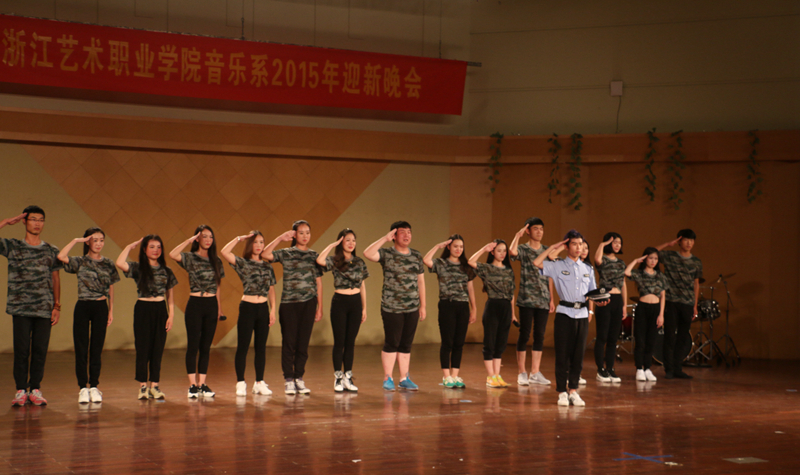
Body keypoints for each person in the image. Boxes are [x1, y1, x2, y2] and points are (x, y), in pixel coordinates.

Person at [533, 230, 609, 407]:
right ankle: (561, 391)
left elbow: (592, 292)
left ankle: (573, 390)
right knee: (562, 354)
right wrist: (554, 247)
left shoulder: (587, 268)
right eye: (574, 244)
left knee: (578, 355)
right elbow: (536, 263)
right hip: (564, 314)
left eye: (580, 244)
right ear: (567, 246)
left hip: (582, 314)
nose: (578, 247)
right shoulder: (558, 265)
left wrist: (599, 302)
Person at [1, 206, 62, 407]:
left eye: (40, 220)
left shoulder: (51, 250)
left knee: (40, 350)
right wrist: (6, 222)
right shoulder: (13, 246)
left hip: (44, 308)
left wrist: (57, 306)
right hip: (20, 308)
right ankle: (21, 390)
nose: (37, 223)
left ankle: (35, 389)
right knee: (21, 350)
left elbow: (55, 278)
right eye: (33, 219)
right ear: (24, 221)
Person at [58, 227, 120, 404]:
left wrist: (111, 310)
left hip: (101, 306)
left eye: (101, 240)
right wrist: (76, 241)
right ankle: (82, 388)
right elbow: (61, 256)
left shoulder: (108, 263)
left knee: (97, 348)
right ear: (88, 241)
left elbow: (111, 287)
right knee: (81, 348)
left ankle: (94, 385)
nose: (99, 243)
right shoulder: (80, 261)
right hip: (83, 306)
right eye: (95, 240)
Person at [364, 221, 426, 391]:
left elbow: (420, 281)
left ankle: (404, 378)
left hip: (412, 307)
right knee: (392, 343)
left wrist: (423, 306)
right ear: (394, 235)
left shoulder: (416, 255)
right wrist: (385, 239)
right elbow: (368, 253)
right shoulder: (387, 254)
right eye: (402, 232)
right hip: (391, 307)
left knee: (406, 344)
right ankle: (388, 377)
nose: (407, 235)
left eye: (409, 232)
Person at [263, 220, 323, 396]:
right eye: (301, 232)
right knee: (289, 343)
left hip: (309, 303)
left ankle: (299, 378)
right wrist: (280, 238)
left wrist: (320, 306)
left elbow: (319, 283)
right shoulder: (286, 253)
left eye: (307, 232)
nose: (305, 236)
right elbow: (265, 254)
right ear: (295, 235)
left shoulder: (314, 256)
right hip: (289, 303)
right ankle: (289, 379)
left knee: (303, 344)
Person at [117, 235, 177, 400]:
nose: (156, 250)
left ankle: (154, 386)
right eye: (152, 247)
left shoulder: (166, 270)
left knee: (158, 349)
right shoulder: (138, 268)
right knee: (143, 348)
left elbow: (170, 296)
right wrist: (129, 246)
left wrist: (171, 315)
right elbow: (120, 263)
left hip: (160, 309)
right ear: (144, 249)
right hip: (143, 309)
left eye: (158, 247)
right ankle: (143, 386)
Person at [169, 225, 225, 398]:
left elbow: (218, 286)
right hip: (195, 304)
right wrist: (188, 241)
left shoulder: (216, 260)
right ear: (198, 238)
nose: (208, 240)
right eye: (204, 236)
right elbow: (172, 254)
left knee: (206, 347)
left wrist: (219, 308)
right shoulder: (190, 257)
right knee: (193, 345)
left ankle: (202, 384)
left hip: (211, 304)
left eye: (211, 237)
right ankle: (192, 385)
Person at [220, 231, 276, 397]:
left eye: (261, 242)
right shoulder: (243, 263)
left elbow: (271, 289)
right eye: (255, 242)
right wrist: (239, 238)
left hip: (263, 308)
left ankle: (259, 382)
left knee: (261, 348)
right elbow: (224, 252)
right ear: (250, 244)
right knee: (243, 347)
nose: (259, 245)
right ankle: (240, 382)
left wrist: (273, 309)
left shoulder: (267, 266)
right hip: (247, 308)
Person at [316, 229, 370, 392]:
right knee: (339, 342)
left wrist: (364, 307)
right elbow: (319, 260)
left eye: (353, 240)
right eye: (347, 240)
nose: (351, 243)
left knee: (350, 342)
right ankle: (338, 378)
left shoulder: (359, 261)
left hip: (355, 302)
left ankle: (348, 377)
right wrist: (332, 245)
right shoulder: (335, 260)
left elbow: (362, 285)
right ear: (341, 242)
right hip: (340, 302)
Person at [423, 235, 477, 389]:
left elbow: (470, 288)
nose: (458, 249)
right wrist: (437, 246)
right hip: (447, 304)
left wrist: (474, 308)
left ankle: (455, 375)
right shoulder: (441, 263)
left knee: (459, 343)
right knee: (448, 342)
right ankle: (446, 376)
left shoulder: (466, 266)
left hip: (463, 306)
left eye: (461, 247)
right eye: (455, 246)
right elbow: (426, 260)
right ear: (449, 247)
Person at [509, 218, 555, 387]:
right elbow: (512, 252)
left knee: (539, 335)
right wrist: (517, 235)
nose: (539, 232)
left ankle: (535, 372)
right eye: (536, 228)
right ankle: (522, 372)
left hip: (543, 299)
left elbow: (550, 275)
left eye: (541, 229)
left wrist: (551, 298)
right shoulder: (524, 249)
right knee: (524, 334)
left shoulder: (546, 250)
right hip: (526, 298)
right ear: (528, 231)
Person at [656, 229, 703, 379]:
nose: (689, 243)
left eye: (692, 240)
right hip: (671, 301)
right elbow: (651, 253)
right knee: (670, 336)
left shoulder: (696, 262)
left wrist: (695, 305)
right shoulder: (670, 256)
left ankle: (677, 368)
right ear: (679, 241)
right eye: (686, 240)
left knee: (683, 337)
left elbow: (696, 284)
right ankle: (669, 369)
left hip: (687, 303)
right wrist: (668, 244)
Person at [468, 240, 515, 389]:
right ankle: (490, 376)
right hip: (493, 306)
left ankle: (497, 375)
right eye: (499, 250)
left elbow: (512, 293)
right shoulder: (487, 268)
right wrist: (484, 249)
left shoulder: (508, 270)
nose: (502, 253)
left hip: (506, 307)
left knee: (500, 344)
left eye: (504, 250)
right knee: (490, 343)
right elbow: (471, 261)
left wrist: (513, 314)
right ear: (493, 252)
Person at [625, 248, 669, 381]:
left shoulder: (660, 276)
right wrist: (635, 261)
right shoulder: (639, 273)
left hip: (655, 309)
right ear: (645, 259)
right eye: (650, 258)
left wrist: (661, 314)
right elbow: (626, 272)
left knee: (651, 340)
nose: (653, 261)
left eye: (656, 259)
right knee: (640, 340)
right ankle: (639, 368)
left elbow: (663, 296)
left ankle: (647, 368)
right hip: (642, 308)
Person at [593, 233, 627, 383]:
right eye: (614, 242)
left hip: (617, 299)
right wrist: (602, 244)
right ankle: (600, 369)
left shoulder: (621, 263)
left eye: (619, 242)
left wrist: (624, 305)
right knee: (602, 336)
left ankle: (610, 368)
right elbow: (597, 260)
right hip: (605, 298)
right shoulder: (603, 259)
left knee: (613, 338)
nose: (618, 245)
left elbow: (623, 284)